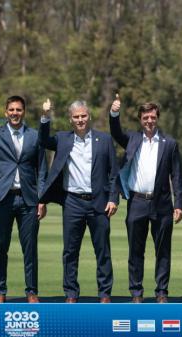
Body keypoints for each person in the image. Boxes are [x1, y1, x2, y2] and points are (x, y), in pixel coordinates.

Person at [39, 99, 119, 303]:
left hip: (99, 202)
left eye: (83, 115)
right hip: (72, 202)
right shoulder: (62, 139)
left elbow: (113, 173)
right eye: (76, 117)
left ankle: (104, 294)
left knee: (102, 250)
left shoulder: (105, 139)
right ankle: (71, 293)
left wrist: (113, 199)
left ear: (89, 116)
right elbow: (43, 140)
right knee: (70, 251)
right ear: (70, 119)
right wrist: (46, 116)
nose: (80, 119)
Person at [0, 96, 47, 303]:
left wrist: (42, 199)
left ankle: (31, 291)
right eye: (11, 110)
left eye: (19, 110)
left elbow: (42, 169)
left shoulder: (34, 135)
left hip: (28, 200)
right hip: (2, 198)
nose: (15, 113)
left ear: (24, 112)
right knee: (0, 247)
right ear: (6, 112)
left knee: (30, 249)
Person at [110, 94, 182, 304]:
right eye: (145, 118)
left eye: (152, 117)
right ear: (140, 120)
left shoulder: (169, 143)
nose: (149, 121)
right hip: (137, 202)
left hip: (162, 204)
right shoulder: (132, 139)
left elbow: (177, 175)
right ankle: (136, 293)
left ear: (157, 118)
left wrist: (179, 203)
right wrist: (114, 113)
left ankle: (162, 292)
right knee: (136, 251)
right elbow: (115, 132)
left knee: (163, 251)